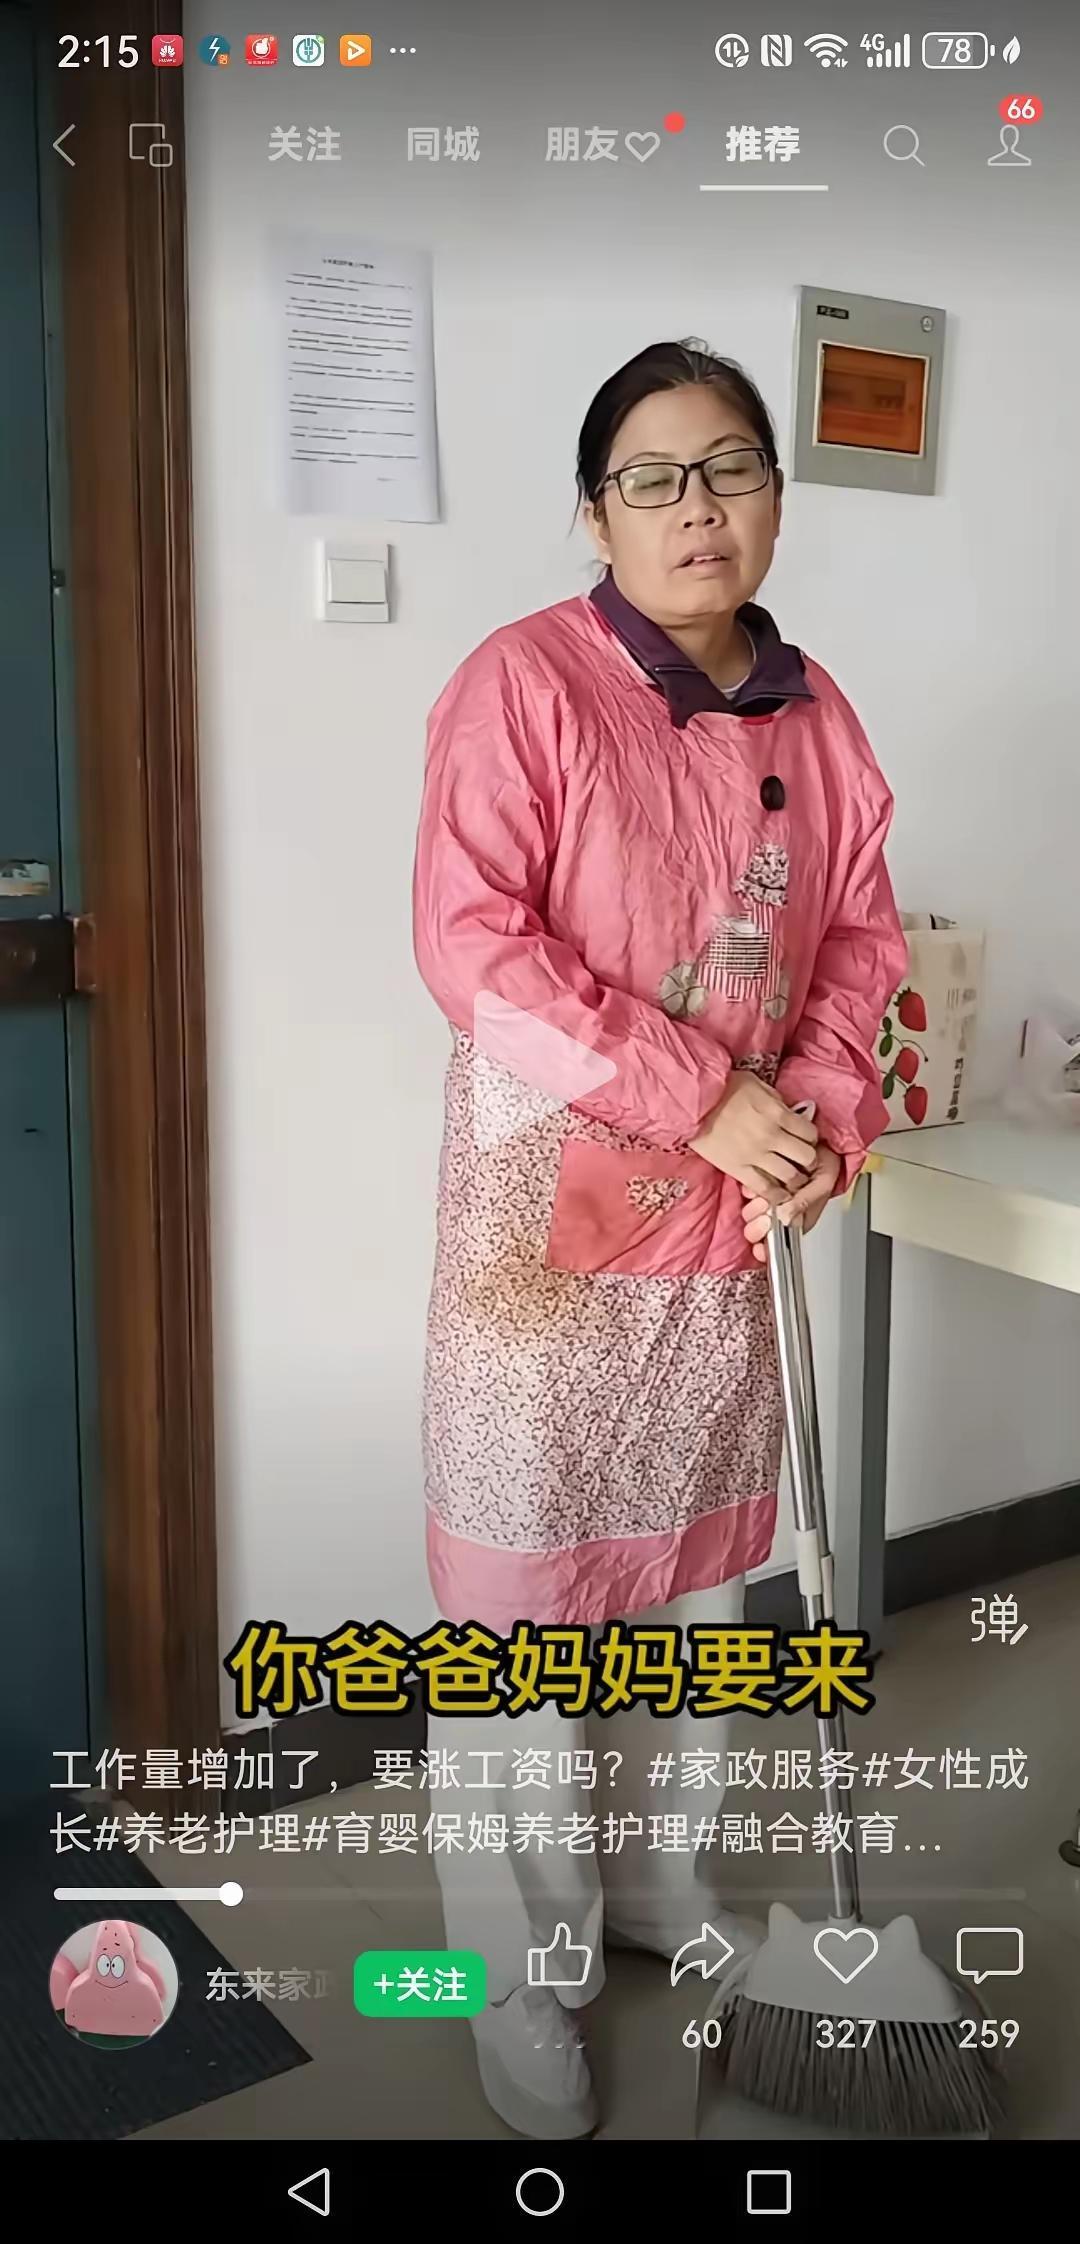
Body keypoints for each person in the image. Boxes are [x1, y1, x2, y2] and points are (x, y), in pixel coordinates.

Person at [412, 338, 907, 2137]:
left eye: (733, 467)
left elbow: (859, 942)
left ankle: (654, 1889)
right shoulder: (525, 683)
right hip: (544, 1237)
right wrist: (699, 1094)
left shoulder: (816, 713)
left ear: (775, 494)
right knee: (529, 1611)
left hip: (727, 1217)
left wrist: (822, 1111)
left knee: (694, 1587)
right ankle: (518, 1975)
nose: (699, 508)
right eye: (654, 475)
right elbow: (473, 944)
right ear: (594, 511)